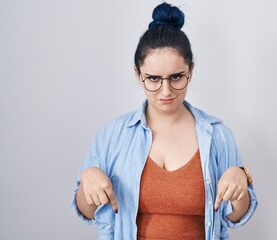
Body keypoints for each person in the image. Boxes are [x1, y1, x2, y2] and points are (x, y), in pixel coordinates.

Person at [72, 2, 257, 239]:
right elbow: (87, 211)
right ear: (138, 74)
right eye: (153, 78)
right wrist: (88, 177)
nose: (165, 91)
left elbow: (234, 217)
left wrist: (241, 180)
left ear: (191, 71)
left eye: (176, 77)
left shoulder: (217, 134)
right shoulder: (113, 134)